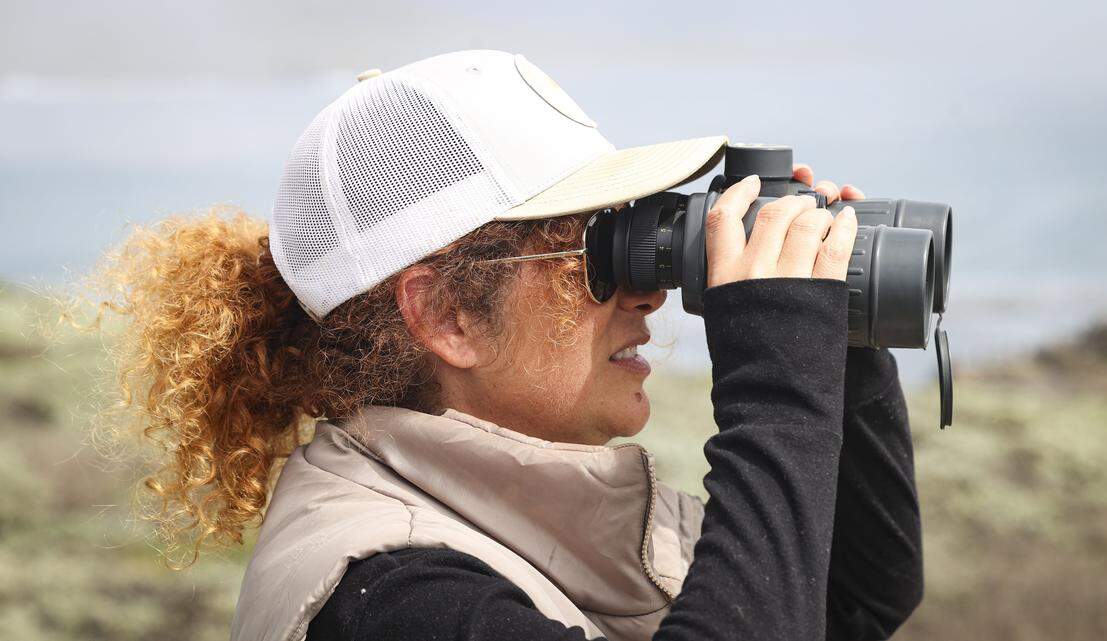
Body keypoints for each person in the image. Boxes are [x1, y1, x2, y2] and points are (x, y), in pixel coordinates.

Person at [98, 50, 921, 641]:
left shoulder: (521, 510)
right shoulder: (387, 594)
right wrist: (777, 395)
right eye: (593, 254)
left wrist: (836, 337)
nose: (650, 292)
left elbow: (849, 600)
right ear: (449, 314)